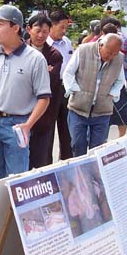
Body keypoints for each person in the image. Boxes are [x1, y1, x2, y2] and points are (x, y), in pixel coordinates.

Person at [0, 5, 51, 196]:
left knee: (17, 179)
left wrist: (28, 125)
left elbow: (44, 98)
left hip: (17, 124)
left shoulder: (35, 59)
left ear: (15, 28)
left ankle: (15, 214)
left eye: (0, 24)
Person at [63, 33, 125, 156]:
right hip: (78, 108)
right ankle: (79, 168)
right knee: (78, 144)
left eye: (115, 53)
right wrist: (75, 90)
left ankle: (94, 169)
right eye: (109, 52)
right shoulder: (83, 50)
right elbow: (68, 73)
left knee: (98, 149)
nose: (111, 56)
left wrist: (112, 94)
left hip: (102, 111)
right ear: (101, 45)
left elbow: (120, 81)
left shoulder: (119, 58)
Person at [26, 13, 63, 169]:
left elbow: (49, 82)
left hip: (44, 115)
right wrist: (42, 71)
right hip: (21, 112)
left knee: (41, 157)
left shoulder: (54, 55)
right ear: (29, 30)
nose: (41, 35)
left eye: (45, 32)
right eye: (37, 31)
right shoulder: (19, 50)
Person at [46, 10, 73, 161]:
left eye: (66, 28)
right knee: (48, 129)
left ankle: (66, 160)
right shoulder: (44, 44)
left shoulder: (67, 42)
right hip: (50, 88)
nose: (64, 31)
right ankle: (46, 164)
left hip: (65, 88)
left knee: (67, 129)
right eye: (61, 27)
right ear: (52, 26)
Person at [103, 19, 127, 137]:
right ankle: (121, 138)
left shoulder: (104, 42)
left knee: (111, 115)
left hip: (114, 82)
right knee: (121, 113)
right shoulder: (123, 39)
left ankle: (105, 139)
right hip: (117, 81)